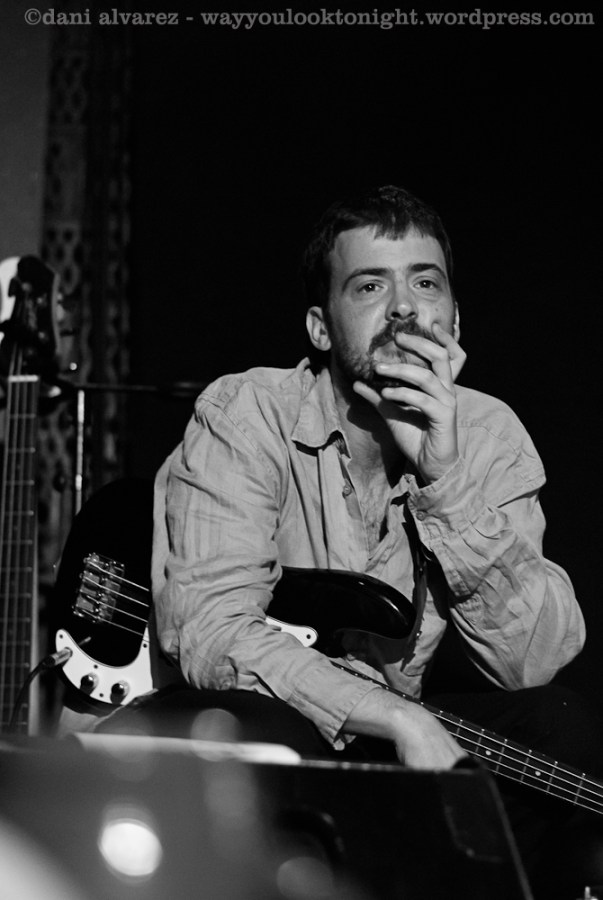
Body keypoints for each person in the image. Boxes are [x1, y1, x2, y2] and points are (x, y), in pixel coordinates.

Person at [149, 186, 600, 896]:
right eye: (369, 286)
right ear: (320, 327)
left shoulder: (489, 434)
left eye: (425, 283)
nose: (402, 308)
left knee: (559, 728)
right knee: (264, 733)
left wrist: (445, 478)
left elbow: (531, 663)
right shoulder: (247, 412)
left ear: (454, 318)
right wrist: (396, 718)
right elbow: (211, 632)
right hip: (266, 719)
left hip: (387, 740)